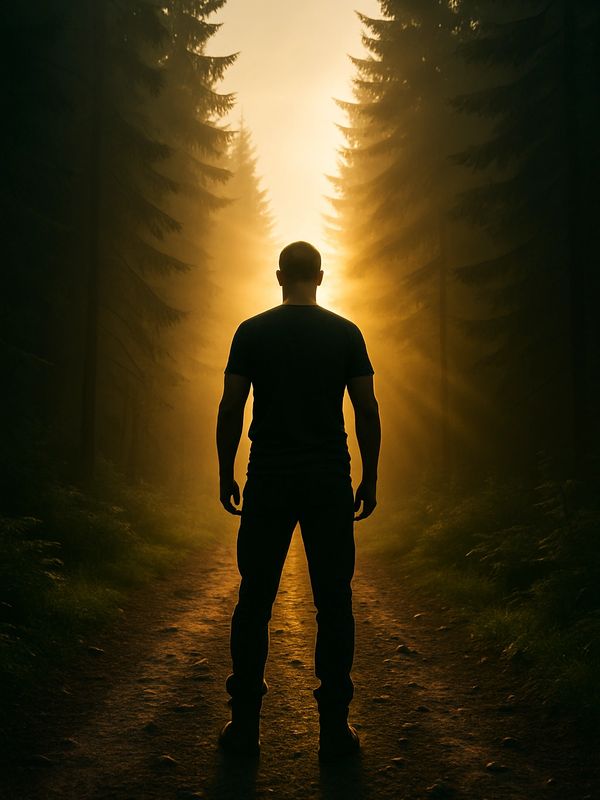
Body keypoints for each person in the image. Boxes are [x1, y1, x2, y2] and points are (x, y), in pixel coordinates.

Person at [216, 241, 381, 760]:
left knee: (254, 601)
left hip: (268, 479)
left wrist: (225, 471)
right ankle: (334, 730)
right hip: (329, 482)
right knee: (334, 603)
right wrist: (370, 478)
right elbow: (366, 410)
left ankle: (244, 728)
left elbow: (231, 406)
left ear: (280, 275)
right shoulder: (346, 333)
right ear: (322, 276)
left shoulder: (251, 331)